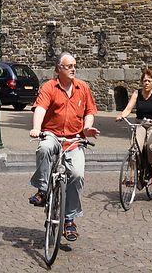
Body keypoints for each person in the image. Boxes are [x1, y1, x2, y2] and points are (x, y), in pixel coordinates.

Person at [29, 52, 99, 244]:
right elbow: (41, 108)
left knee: (77, 174)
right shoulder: (49, 87)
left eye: (74, 65)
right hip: (52, 133)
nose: (73, 69)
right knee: (44, 148)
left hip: (75, 138)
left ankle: (69, 220)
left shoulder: (83, 88)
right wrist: (36, 128)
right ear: (58, 69)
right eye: (69, 66)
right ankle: (43, 191)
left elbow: (89, 112)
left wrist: (87, 127)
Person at [115, 65, 152, 184]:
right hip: (140, 124)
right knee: (135, 148)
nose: (146, 83)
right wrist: (122, 115)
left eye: (149, 81)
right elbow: (128, 109)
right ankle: (132, 177)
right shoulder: (137, 93)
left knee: (150, 146)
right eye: (144, 81)